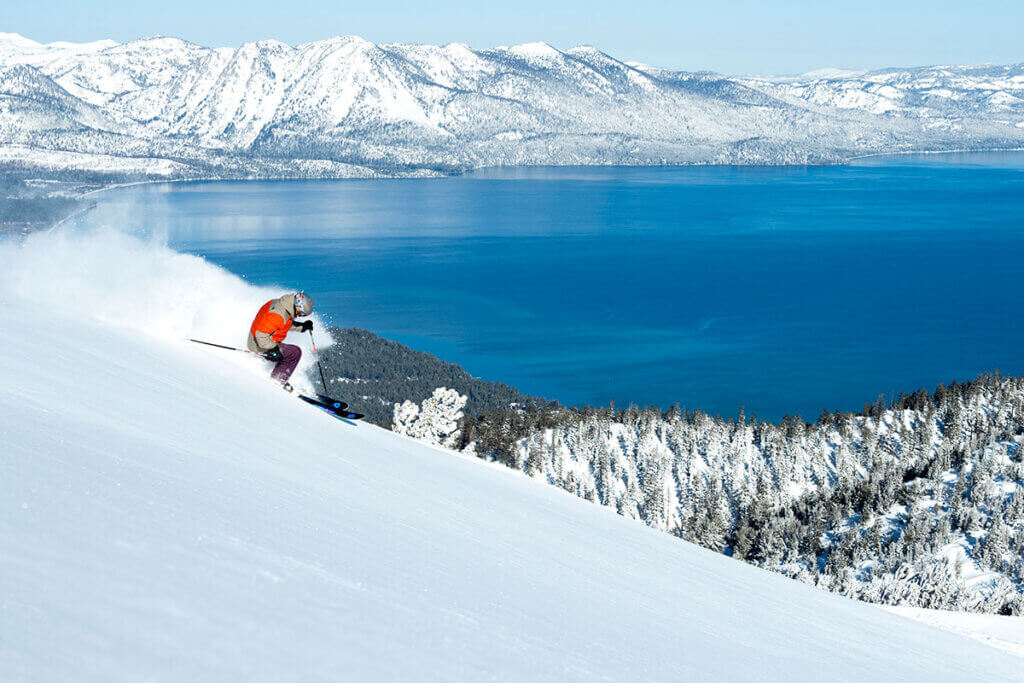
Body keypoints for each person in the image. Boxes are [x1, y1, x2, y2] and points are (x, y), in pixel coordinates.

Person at [248, 292, 314, 388]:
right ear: (297, 306)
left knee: (290, 351)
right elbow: (261, 336)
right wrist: (274, 349)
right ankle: (276, 382)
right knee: (294, 353)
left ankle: (278, 376)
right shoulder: (278, 315)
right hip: (259, 344)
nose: (300, 316)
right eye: (301, 313)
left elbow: (284, 323)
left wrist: (302, 327)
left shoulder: (281, 305)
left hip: (263, 340)